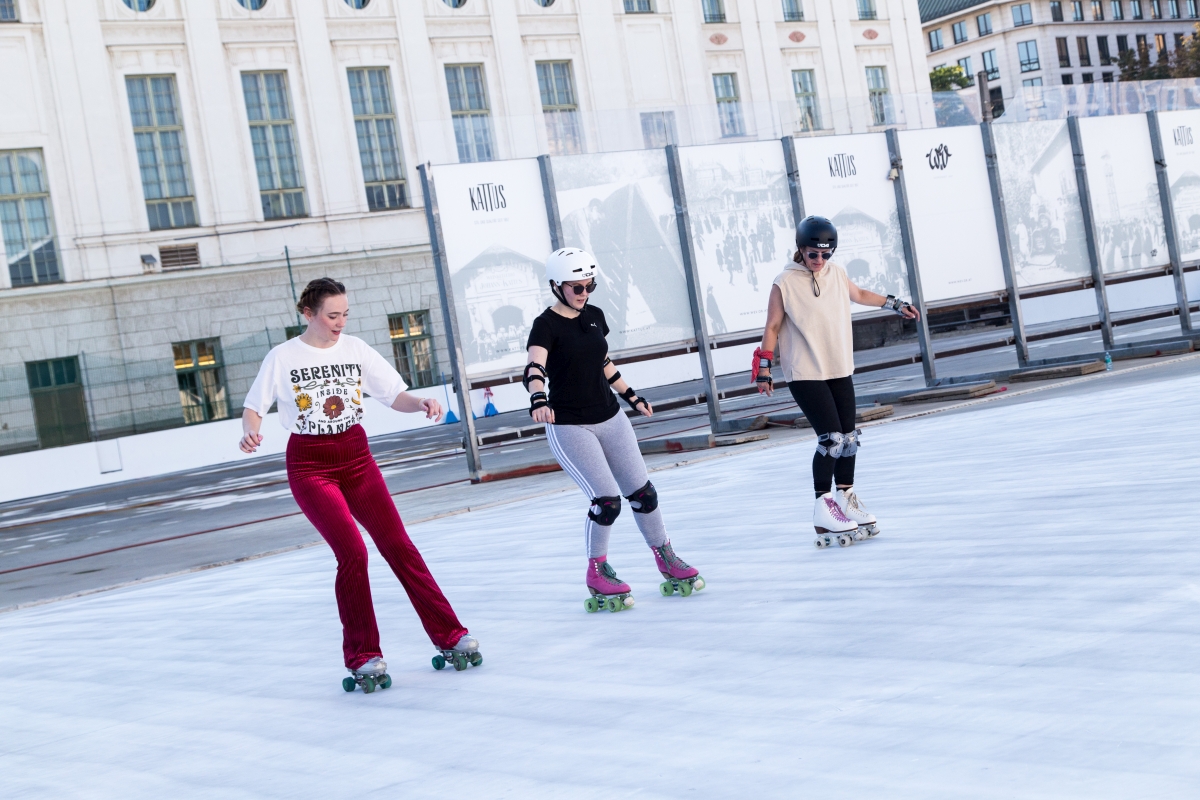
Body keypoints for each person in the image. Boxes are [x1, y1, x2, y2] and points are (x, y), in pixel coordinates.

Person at [239, 278, 480, 691]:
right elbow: (253, 407)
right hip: (310, 465)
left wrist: (420, 403)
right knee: (353, 552)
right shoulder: (282, 356)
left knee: (398, 545)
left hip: (356, 456)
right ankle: (363, 654)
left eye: (345, 314)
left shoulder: (355, 349)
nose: (340, 322)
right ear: (308, 314)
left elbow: (394, 395)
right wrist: (250, 431)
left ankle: (450, 633)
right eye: (332, 315)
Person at [524, 248, 705, 612]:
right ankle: (597, 571)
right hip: (570, 424)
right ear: (557, 286)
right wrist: (538, 398)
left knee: (644, 494)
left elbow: (603, 362)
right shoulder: (546, 325)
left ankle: (666, 557)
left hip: (610, 416)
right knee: (606, 501)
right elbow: (534, 368)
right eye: (577, 287)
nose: (584, 293)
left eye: (590, 285)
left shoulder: (594, 316)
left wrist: (632, 396)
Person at [753, 217, 920, 549]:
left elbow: (860, 294)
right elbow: (772, 326)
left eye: (826, 255)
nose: (819, 260)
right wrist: (764, 368)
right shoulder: (784, 282)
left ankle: (846, 497)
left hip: (839, 367)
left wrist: (895, 304)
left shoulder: (837, 274)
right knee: (830, 439)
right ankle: (822, 506)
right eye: (813, 254)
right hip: (805, 372)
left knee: (849, 438)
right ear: (801, 249)